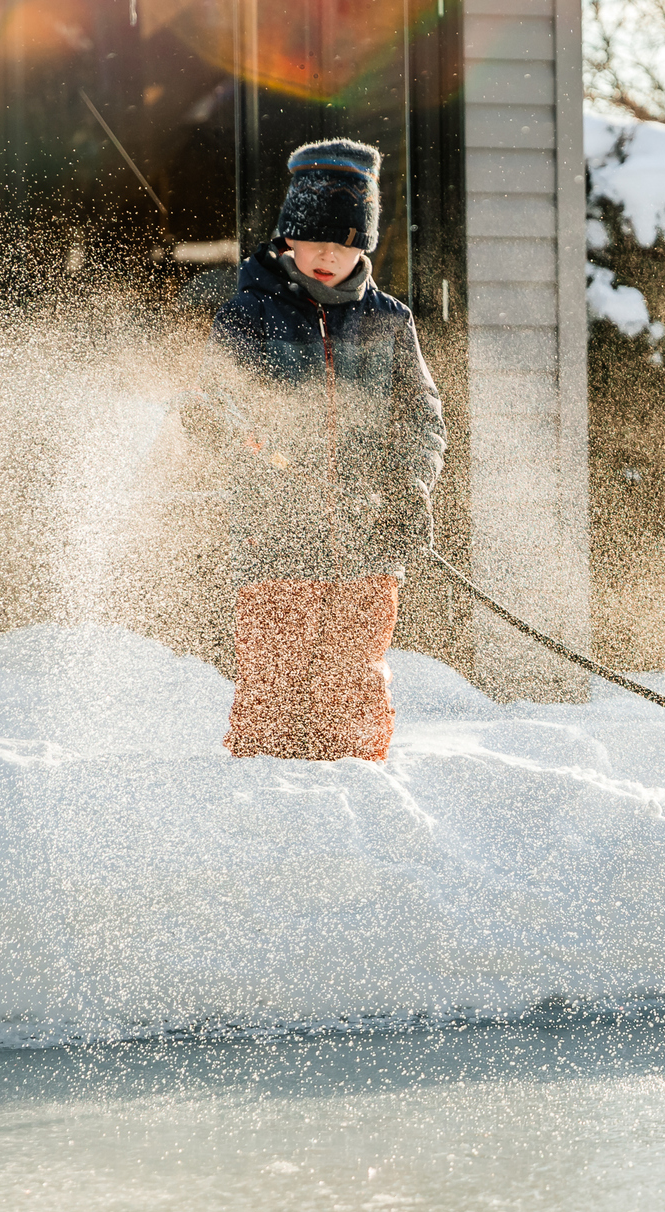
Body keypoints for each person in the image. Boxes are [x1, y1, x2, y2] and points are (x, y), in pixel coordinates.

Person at [197, 138, 446, 762]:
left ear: (364, 243)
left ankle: (357, 806)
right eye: (315, 239)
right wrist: (211, 418)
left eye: (346, 240)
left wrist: (409, 484)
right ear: (287, 238)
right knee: (273, 689)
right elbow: (215, 398)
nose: (330, 254)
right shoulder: (249, 316)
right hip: (275, 538)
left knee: (351, 687)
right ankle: (263, 803)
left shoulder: (390, 321)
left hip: (368, 540)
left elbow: (423, 418)